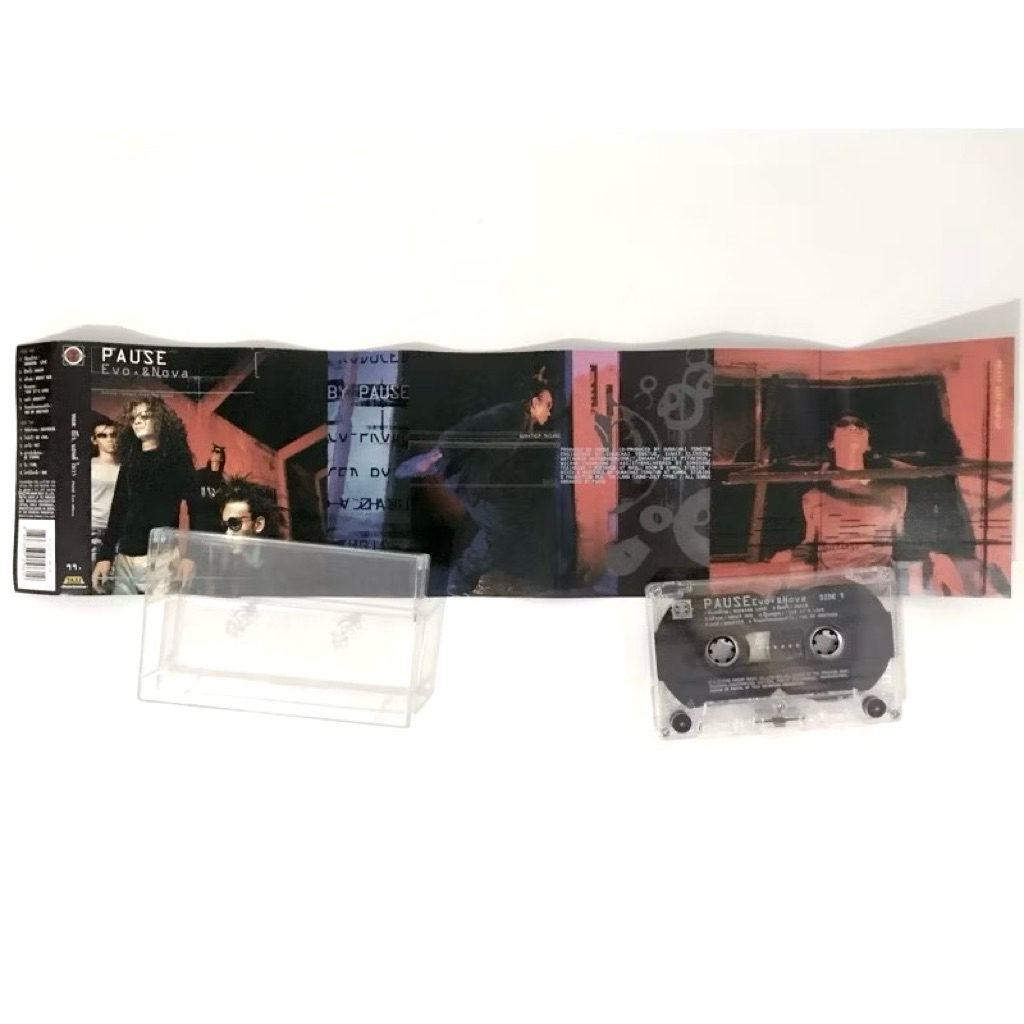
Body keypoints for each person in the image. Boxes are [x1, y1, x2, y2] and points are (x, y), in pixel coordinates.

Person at [396, 377, 556, 594]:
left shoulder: (524, 422)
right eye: (548, 405)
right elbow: (470, 427)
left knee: (501, 525)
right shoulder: (509, 414)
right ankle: (458, 581)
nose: (550, 412)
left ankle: (461, 580)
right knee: (498, 527)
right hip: (466, 477)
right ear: (535, 402)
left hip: (475, 478)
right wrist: (438, 454)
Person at [770, 414, 964, 593]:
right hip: (833, 585)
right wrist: (786, 557)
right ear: (831, 442)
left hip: (877, 583)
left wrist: (935, 559)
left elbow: (903, 543)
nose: (853, 427)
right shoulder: (814, 496)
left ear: (868, 445)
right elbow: (810, 544)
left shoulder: (895, 492)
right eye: (844, 424)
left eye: (860, 425)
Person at [92, 395, 199, 594]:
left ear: (159, 420)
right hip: (125, 556)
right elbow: (118, 510)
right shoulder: (130, 462)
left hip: (162, 557)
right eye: (134, 418)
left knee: (159, 611)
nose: (137, 421)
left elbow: (197, 508)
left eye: (145, 416)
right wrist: (105, 556)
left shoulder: (178, 460)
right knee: (123, 610)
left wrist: (192, 556)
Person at [90, 416, 121, 570]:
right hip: (92, 528)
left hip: (116, 531)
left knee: (112, 576)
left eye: (113, 435)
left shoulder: (124, 468)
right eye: (103, 435)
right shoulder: (88, 466)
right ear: (94, 440)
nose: (109, 439)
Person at [192, 444, 227, 533]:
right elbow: (192, 495)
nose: (214, 453)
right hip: (200, 521)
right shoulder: (200, 474)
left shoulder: (223, 481)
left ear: (222, 458)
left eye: (217, 452)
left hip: (215, 524)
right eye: (213, 451)